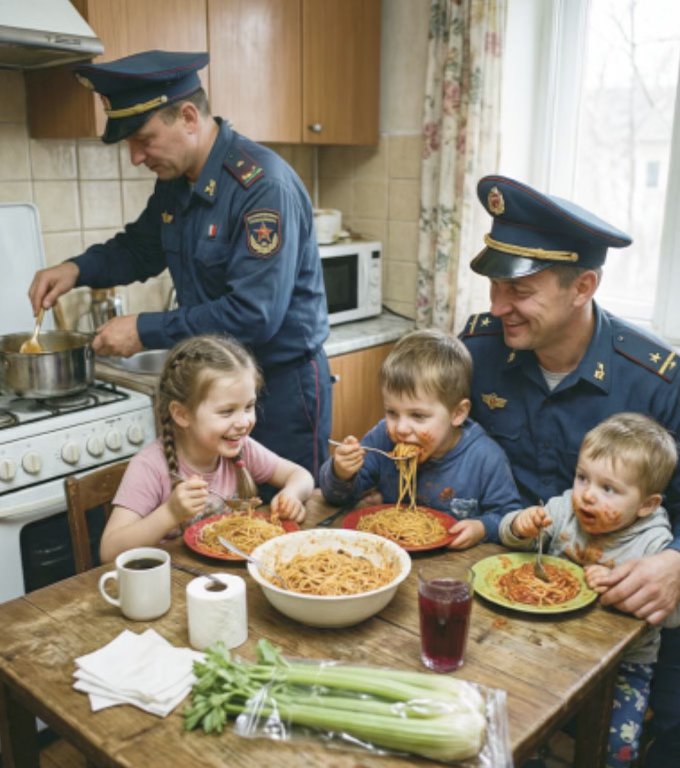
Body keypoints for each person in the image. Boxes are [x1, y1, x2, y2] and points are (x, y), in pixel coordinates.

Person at [26, 50, 331, 483]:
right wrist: (76, 270)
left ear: (188, 117)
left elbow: (253, 315)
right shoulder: (177, 182)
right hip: (214, 388)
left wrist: (143, 330)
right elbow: (139, 249)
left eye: (143, 139)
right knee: (224, 526)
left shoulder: (261, 187)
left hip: (277, 391)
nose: (135, 157)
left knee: (284, 524)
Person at [460, 174, 680, 766]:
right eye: (494, 286)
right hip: (504, 588)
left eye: (521, 291)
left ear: (583, 285)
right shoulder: (479, 351)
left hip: (621, 610)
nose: (497, 307)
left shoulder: (654, 380)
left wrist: (676, 563)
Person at [500, 413, 680, 768]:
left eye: (608, 489)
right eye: (583, 477)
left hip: (625, 665)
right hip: (549, 644)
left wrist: (620, 588)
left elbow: (671, 615)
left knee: (618, 746)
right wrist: (520, 527)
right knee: (522, 717)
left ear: (647, 505)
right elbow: (512, 540)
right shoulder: (565, 508)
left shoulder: (654, 543)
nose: (588, 496)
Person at [100, 334, 313, 562]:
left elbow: (301, 476)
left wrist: (292, 494)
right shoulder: (150, 466)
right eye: (226, 411)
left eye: (249, 406)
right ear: (182, 414)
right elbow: (109, 551)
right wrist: (170, 513)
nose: (243, 422)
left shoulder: (242, 448)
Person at [319, 329, 521, 548]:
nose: (401, 428)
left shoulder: (485, 458)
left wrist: (482, 528)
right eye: (392, 412)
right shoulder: (382, 439)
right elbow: (335, 496)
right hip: (387, 553)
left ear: (458, 413)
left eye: (418, 416)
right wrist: (341, 473)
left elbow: (509, 519)